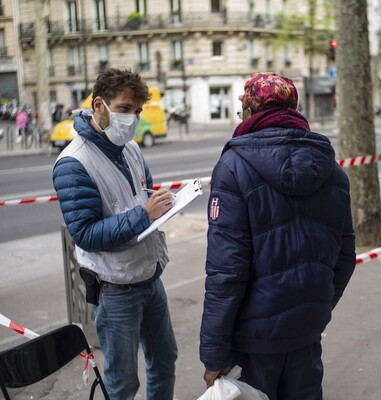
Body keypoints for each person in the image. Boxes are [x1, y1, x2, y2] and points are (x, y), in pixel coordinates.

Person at [200, 72, 356, 399]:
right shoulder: (331, 169)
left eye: (243, 110)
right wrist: (319, 307)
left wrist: (214, 353)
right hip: (307, 331)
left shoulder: (233, 166)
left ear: (253, 111)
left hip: (253, 338)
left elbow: (226, 272)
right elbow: (345, 256)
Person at [52, 68, 178, 400]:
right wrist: (144, 214)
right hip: (115, 289)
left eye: (136, 111)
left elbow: (144, 195)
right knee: (123, 382)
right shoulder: (73, 163)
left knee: (164, 361)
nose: (132, 118)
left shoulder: (131, 149)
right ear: (99, 105)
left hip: (149, 277)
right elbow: (86, 234)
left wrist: (164, 204)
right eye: (124, 108)